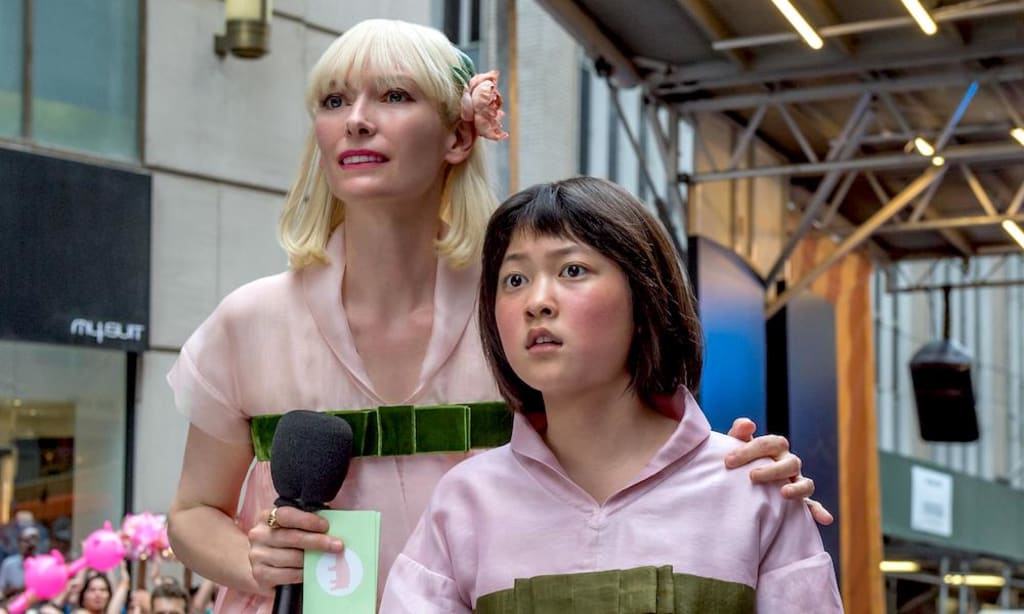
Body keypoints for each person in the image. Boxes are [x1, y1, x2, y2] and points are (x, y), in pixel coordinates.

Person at [166, 18, 824, 614]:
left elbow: (631, 446)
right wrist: (252, 562)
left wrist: (739, 483)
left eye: (393, 96)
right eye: (334, 101)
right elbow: (193, 510)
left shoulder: (518, 313)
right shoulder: (249, 321)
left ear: (459, 134)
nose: (357, 121)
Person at [380, 177, 843, 612]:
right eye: (515, 279)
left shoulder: (752, 490)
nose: (536, 302)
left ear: (644, 298)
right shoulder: (465, 501)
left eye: (572, 270)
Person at [0, 526, 39, 598]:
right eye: (26, 541)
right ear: (19, 542)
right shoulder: (9, 563)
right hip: (13, 602)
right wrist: (16, 590)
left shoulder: (42, 563)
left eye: (33, 541)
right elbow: (1, 590)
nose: (29, 545)